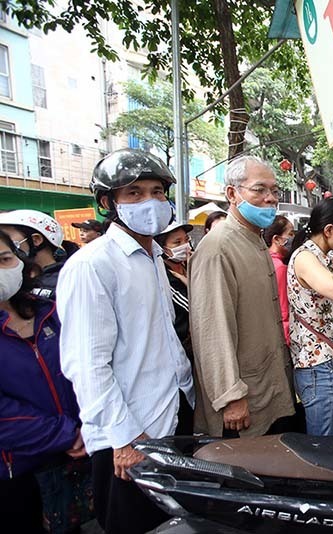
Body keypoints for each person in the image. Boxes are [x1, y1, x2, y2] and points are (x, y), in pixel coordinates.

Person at [57, 149, 195, 534]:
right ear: (108, 203)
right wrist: (126, 439)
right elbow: (86, 365)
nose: (149, 202)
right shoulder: (93, 265)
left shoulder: (153, 256)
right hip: (130, 437)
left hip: (170, 416)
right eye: (133, 193)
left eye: (156, 191)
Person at [189, 155, 295, 439]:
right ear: (232, 194)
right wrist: (230, 396)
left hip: (265, 386)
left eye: (274, 191)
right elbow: (212, 329)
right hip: (241, 402)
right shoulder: (218, 247)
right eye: (259, 189)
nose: (270, 198)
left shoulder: (255, 240)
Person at [0, 230, 85, 534]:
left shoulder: (49, 310)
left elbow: (82, 368)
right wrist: (65, 435)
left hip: (75, 458)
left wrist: (87, 427)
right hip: (16, 471)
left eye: (5, 259)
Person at [288, 197, 333, 436]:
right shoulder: (305, 258)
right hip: (319, 367)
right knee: (325, 445)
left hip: (328, 363)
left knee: (332, 438)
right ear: (329, 230)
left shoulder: (324, 257)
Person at [0, 209, 66, 300]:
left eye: (5, 237)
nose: (2, 243)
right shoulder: (14, 281)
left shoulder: (66, 280)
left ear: (36, 240)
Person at [155, 221, 195, 365]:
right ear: (163, 248)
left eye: (186, 240)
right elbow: (194, 306)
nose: (184, 246)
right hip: (183, 347)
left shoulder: (190, 265)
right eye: (177, 242)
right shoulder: (165, 276)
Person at [264, 216, 295, 345]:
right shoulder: (280, 267)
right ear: (276, 239)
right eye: (290, 234)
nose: (293, 238)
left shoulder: (264, 260)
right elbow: (283, 310)